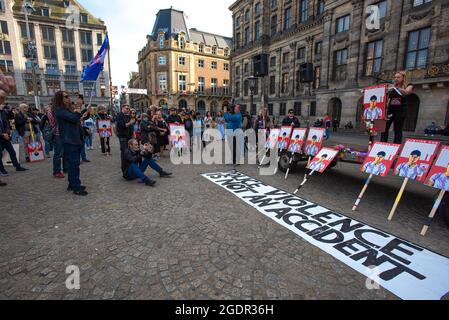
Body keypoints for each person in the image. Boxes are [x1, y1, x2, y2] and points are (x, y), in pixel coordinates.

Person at [54, 91, 88, 196]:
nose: (69, 98)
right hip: (70, 141)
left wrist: (81, 113)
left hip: (75, 139)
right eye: (66, 97)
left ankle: (71, 184)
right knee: (74, 164)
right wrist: (78, 107)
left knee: (74, 164)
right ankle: (76, 187)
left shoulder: (66, 110)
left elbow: (75, 120)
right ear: (60, 99)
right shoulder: (60, 110)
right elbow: (73, 118)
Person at [381, 71, 414, 144]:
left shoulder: (409, 85)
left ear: (403, 78)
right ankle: (382, 144)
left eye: (398, 77)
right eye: (395, 77)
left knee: (397, 129)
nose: (396, 79)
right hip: (391, 109)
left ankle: (396, 145)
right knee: (385, 127)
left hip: (401, 110)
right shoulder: (392, 86)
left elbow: (407, 92)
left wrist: (396, 88)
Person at [0, 103, 28, 176]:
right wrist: (2, 134)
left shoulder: (3, 112)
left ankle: (17, 167)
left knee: (12, 152)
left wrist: (9, 110)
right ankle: (2, 170)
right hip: (1, 136)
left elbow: (8, 121)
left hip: (6, 137)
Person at [48, 100, 66, 178]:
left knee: (65, 152)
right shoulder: (52, 112)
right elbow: (57, 121)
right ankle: (56, 171)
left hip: (64, 133)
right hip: (57, 134)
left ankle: (66, 168)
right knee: (58, 154)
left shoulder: (59, 111)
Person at [116, 104, 135, 175]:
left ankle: (129, 169)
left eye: (128, 109)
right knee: (124, 153)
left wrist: (133, 134)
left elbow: (131, 127)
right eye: (126, 108)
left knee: (130, 152)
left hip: (129, 137)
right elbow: (122, 126)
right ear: (122, 108)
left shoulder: (129, 116)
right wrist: (130, 123)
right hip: (123, 137)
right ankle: (124, 170)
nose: (128, 110)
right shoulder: (119, 116)